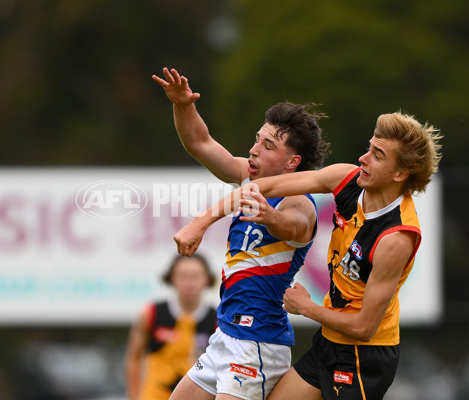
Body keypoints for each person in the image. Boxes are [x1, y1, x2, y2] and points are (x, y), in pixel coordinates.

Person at [173, 111, 442, 400]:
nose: (363, 158)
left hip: (364, 357)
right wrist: (201, 222)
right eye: (369, 148)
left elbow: (364, 328)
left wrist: (307, 307)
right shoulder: (347, 178)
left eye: (377, 155)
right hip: (325, 343)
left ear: (400, 174)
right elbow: (263, 185)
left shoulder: (396, 237)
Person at [152, 67, 330, 400]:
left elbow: (292, 226)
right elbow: (200, 142)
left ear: (292, 162)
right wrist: (182, 105)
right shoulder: (247, 181)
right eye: (256, 139)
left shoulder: (300, 204)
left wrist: (270, 216)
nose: (254, 150)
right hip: (227, 335)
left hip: (258, 341)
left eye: (267, 145)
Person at [124, 254, 217, 400]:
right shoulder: (151, 313)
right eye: (183, 276)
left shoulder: (218, 319)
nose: (189, 283)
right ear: (171, 279)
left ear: (207, 279)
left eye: (195, 276)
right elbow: (133, 358)